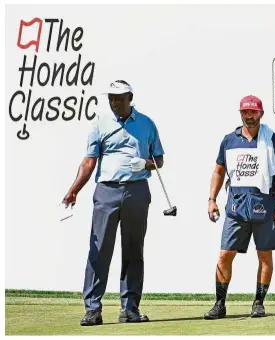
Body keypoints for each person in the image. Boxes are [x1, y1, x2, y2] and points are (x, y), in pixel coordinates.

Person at [62, 80, 165, 326]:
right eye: (111, 98)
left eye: (119, 98)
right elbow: (89, 162)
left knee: (132, 251)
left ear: (130, 97)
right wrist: (74, 189)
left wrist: (145, 164)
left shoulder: (147, 124)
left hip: (137, 190)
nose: (114, 102)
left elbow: (159, 159)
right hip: (106, 191)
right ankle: (93, 310)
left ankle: (130, 309)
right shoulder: (100, 123)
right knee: (99, 250)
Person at [205, 95, 275, 319]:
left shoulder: (273, 139)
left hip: (266, 205)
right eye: (245, 112)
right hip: (236, 207)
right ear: (240, 113)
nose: (249, 116)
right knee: (224, 255)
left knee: (265, 256)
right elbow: (218, 171)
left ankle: (258, 303)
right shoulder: (228, 140)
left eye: (253, 112)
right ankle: (219, 304)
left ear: (260, 113)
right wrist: (212, 199)